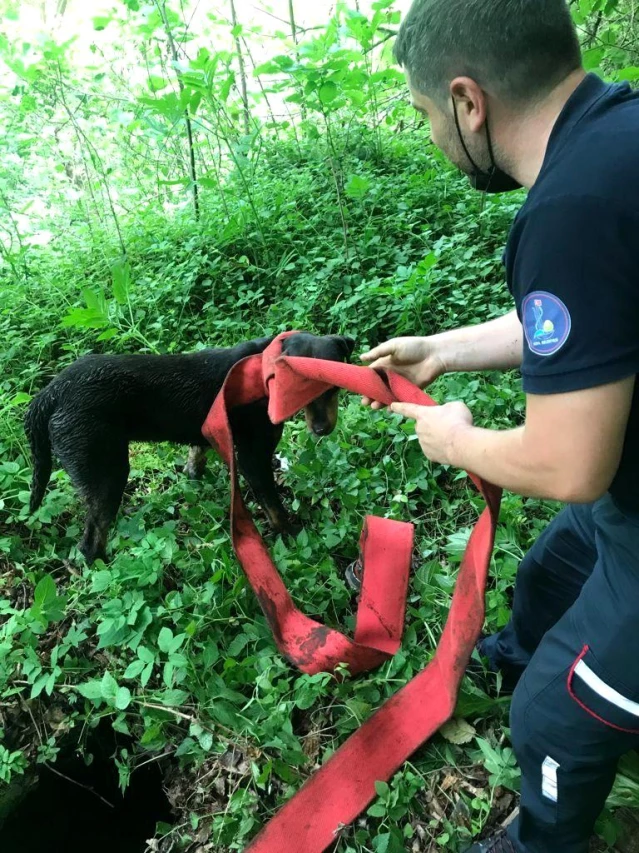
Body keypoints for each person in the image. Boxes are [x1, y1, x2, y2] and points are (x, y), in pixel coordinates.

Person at [360, 1, 639, 851]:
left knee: (548, 715)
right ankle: (522, 646)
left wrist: (452, 440)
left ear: (467, 102)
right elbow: (595, 321)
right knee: (548, 573)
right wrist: (442, 349)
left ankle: (537, 840)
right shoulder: (615, 136)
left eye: (424, 116)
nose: (433, 138)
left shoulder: (565, 210)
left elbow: (569, 464)